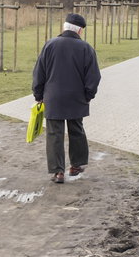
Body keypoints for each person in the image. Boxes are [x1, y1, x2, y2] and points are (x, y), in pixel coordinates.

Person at [32, 13, 102, 184]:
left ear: (64, 28)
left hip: (53, 98)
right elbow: (94, 77)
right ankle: (76, 166)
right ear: (79, 30)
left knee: (54, 133)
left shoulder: (50, 45)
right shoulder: (86, 48)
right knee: (76, 130)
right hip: (76, 98)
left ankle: (58, 172)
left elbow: (39, 73)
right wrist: (88, 95)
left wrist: (39, 95)